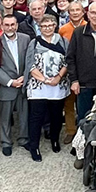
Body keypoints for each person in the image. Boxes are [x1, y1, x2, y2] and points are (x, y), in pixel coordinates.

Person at [26, 14, 69, 161]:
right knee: (36, 118)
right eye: (44, 26)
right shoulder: (34, 43)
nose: (47, 28)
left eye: (50, 25)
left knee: (56, 116)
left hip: (57, 86)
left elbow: (68, 62)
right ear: (39, 27)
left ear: (55, 25)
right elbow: (29, 64)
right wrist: (44, 79)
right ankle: (34, 146)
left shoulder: (63, 41)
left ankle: (55, 140)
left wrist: (58, 78)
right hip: (38, 86)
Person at [0, 14, 32, 157]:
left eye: (12, 24)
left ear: (17, 25)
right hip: (6, 85)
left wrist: (24, 77)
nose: (9, 27)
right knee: (5, 116)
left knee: (24, 113)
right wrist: (9, 82)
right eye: (6, 25)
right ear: (2, 26)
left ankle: (23, 138)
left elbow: (30, 60)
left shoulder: (25, 39)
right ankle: (6, 142)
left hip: (23, 82)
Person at [66, 2, 96, 122]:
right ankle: (82, 141)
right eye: (93, 12)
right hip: (83, 85)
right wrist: (74, 80)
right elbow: (70, 57)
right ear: (87, 14)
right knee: (83, 119)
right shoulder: (78, 32)